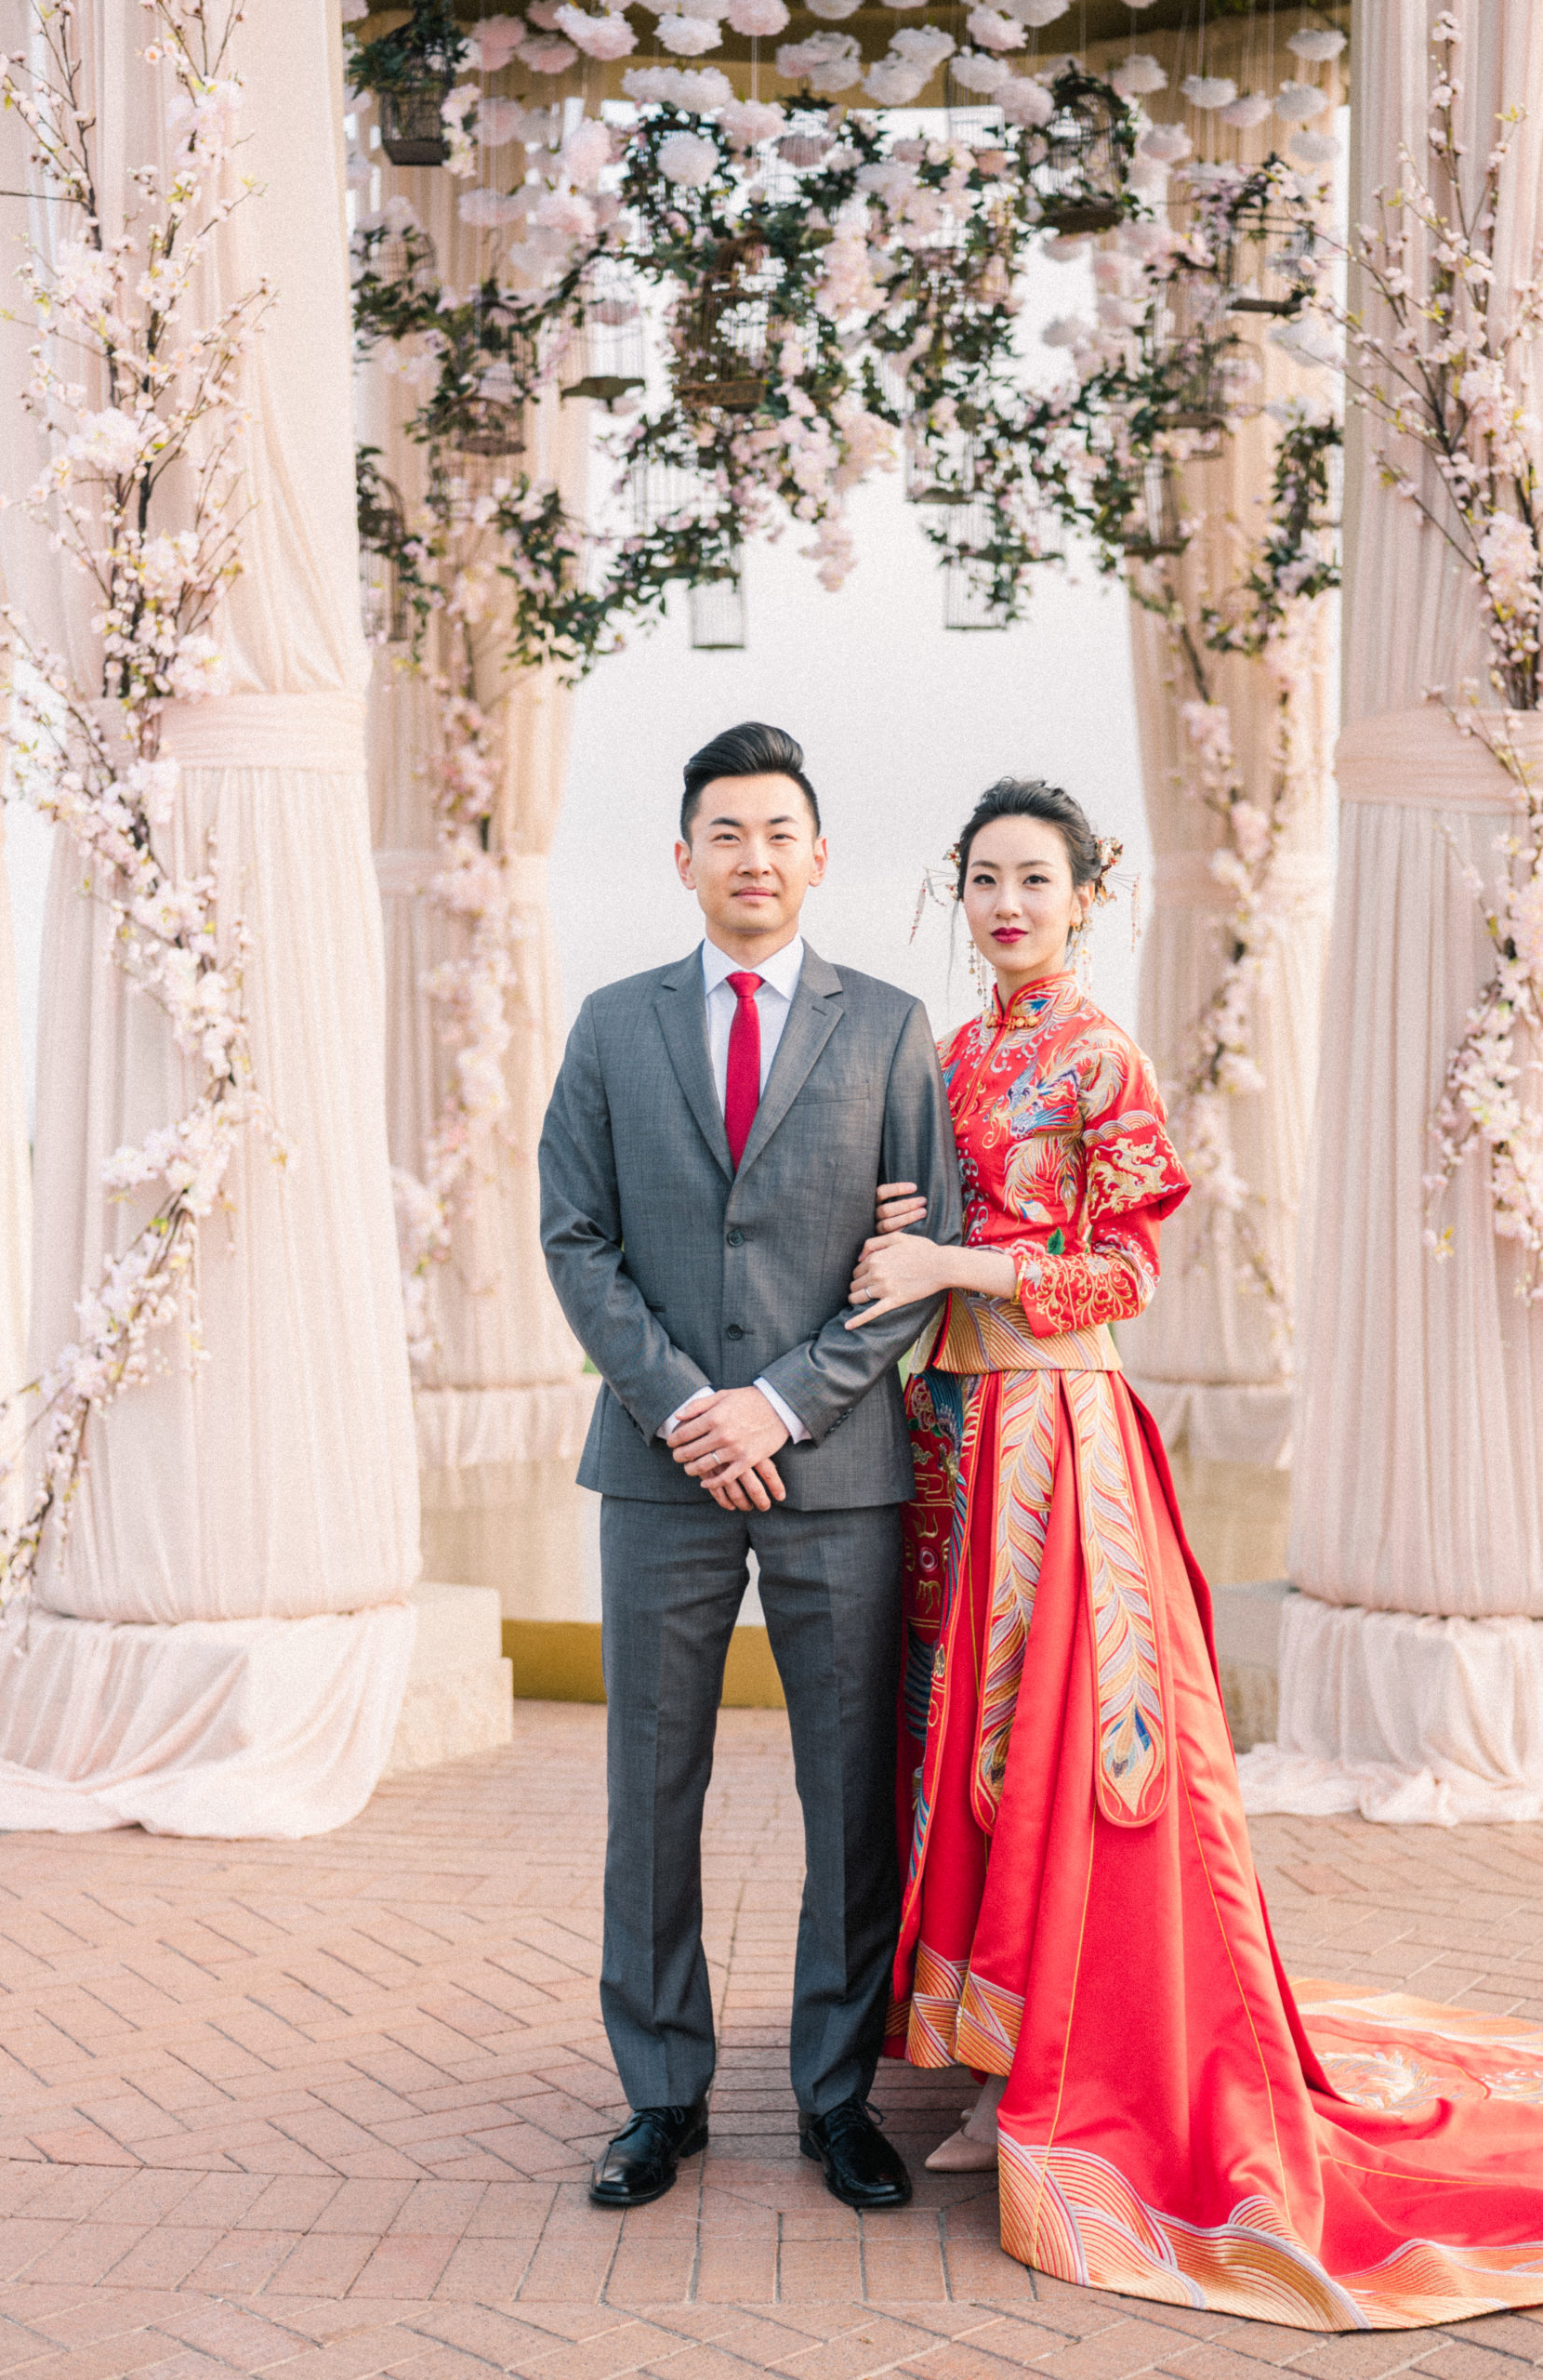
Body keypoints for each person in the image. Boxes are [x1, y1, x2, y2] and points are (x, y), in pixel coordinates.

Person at [847, 777, 1543, 2327]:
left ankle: (1067, 2062)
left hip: (1058, 1443)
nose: (1008, 905)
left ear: (1086, 896)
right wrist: (912, 1231)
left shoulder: (1096, 1053)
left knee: (1074, 1752)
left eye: (1036, 881)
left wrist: (957, 1259)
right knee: (962, 1737)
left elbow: (1127, 1260)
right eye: (985, 878)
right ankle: (987, 2043)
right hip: (951, 1436)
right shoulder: (953, 1053)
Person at [539, 721, 963, 2216]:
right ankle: (661, 2098)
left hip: (837, 1469)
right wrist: (684, 1408)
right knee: (650, 1790)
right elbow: (574, 1239)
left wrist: (780, 1404)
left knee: (848, 1791)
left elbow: (913, 1267)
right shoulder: (610, 1025)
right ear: (685, 858)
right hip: (660, 1474)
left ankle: (836, 2098)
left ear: (819, 855)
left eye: (779, 831)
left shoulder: (891, 1027)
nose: (754, 857)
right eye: (726, 832)